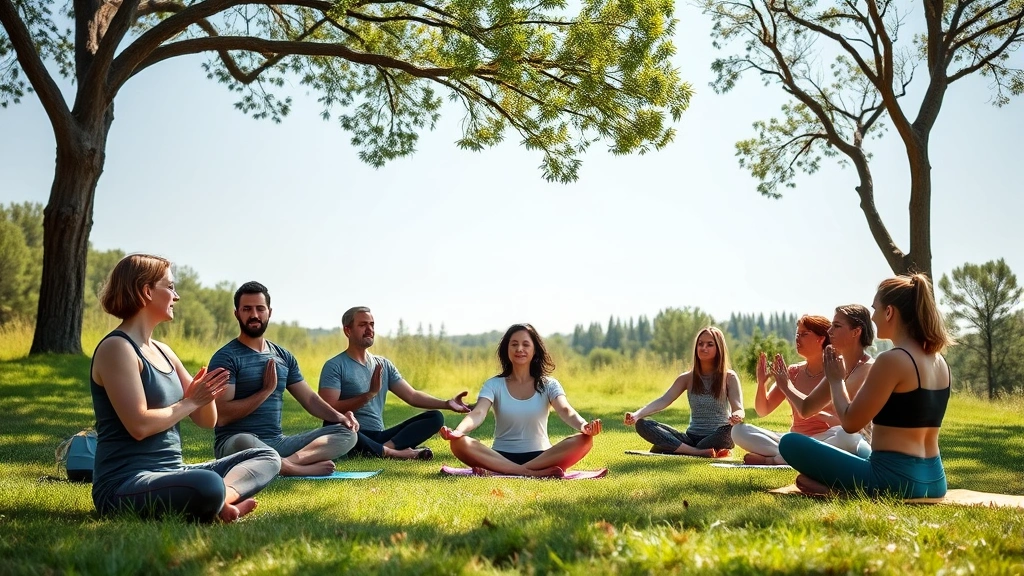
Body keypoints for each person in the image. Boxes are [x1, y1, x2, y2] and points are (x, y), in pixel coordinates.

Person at [90, 255, 281, 522]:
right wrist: (190, 401)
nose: (176, 296)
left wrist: (206, 394)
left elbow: (206, 420)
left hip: (172, 473)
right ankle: (213, 498)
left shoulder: (165, 352)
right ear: (146, 291)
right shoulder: (117, 348)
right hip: (125, 483)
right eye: (170, 287)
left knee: (267, 456)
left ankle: (220, 501)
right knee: (207, 484)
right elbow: (139, 425)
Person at [779, 274, 953, 498]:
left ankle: (841, 491)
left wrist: (836, 380)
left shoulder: (892, 360)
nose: (872, 317)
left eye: (875, 308)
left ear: (889, 312)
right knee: (852, 455)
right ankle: (839, 488)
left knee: (790, 443)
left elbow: (851, 423)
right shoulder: (940, 362)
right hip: (936, 481)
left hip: (894, 480)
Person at [210, 281, 359, 476]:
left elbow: (310, 399)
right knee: (243, 440)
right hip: (236, 444)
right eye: (247, 309)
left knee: (347, 433)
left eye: (260, 309)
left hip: (278, 443)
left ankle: (286, 463)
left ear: (269, 312)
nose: (254, 315)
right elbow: (222, 416)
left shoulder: (283, 357)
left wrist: (341, 418)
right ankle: (291, 468)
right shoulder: (226, 358)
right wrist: (265, 391)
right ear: (237, 313)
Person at [440, 323, 601, 477]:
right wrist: (458, 431)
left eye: (525, 344)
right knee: (458, 443)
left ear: (534, 350)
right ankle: (529, 473)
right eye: (514, 344)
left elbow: (565, 410)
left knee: (585, 440)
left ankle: (506, 472)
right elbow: (479, 412)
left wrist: (583, 425)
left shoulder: (549, 384)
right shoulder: (494, 384)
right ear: (507, 349)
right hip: (500, 456)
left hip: (542, 457)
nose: (519, 349)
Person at [318, 307, 471, 460]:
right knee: (333, 426)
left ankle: (383, 449)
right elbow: (327, 410)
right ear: (348, 330)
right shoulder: (335, 366)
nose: (369, 329)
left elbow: (412, 396)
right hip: (351, 434)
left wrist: (446, 403)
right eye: (363, 325)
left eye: (372, 324)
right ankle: (392, 452)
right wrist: (369, 395)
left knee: (435, 418)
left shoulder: (383, 364)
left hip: (380, 436)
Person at [732, 315, 837, 465]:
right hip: (792, 439)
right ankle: (790, 456)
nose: (798, 339)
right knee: (738, 431)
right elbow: (763, 410)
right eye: (797, 334)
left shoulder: (835, 371)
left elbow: (844, 423)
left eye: (804, 334)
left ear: (821, 338)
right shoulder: (793, 372)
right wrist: (762, 383)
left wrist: (816, 413)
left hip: (824, 439)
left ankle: (775, 459)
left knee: (844, 436)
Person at [772, 305, 876, 457]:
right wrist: (786, 386)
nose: (829, 331)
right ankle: (788, 455)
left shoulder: (871, 369)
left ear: (856, 332)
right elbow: (806, 409)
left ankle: (783, 457)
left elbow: (849, 422)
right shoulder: (836, 368)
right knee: (790, 440)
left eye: (837, 326)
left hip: (864, 445)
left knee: (844, 434)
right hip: (838, 441)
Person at [624, 327, 743, 457]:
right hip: (691, 438)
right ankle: (697, 451)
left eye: (710, 344)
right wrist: (636, 415)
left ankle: (675, 447)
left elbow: (738, 408)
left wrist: (737, 416)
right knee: (643, 424)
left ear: (719, 348)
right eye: (700, 344)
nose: (704, 348)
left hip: (718, 435)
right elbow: (664, 400)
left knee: (730, 432)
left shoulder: (729, 377)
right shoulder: (687, 378)